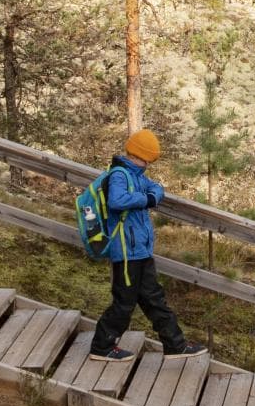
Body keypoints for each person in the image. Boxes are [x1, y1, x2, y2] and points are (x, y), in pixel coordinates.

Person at [87, 128, 207, 361]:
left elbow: (157, 188)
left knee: (154, 299)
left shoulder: (138, 176)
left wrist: (152, 194)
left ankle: (175, 344)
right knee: (124, 303)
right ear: (136, 154)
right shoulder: (120, 175)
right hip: (125, 252)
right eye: (146, 159)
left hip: (140, 250)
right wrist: (146, 199)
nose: (147, 164)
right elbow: (117, 200)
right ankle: (101, 347)